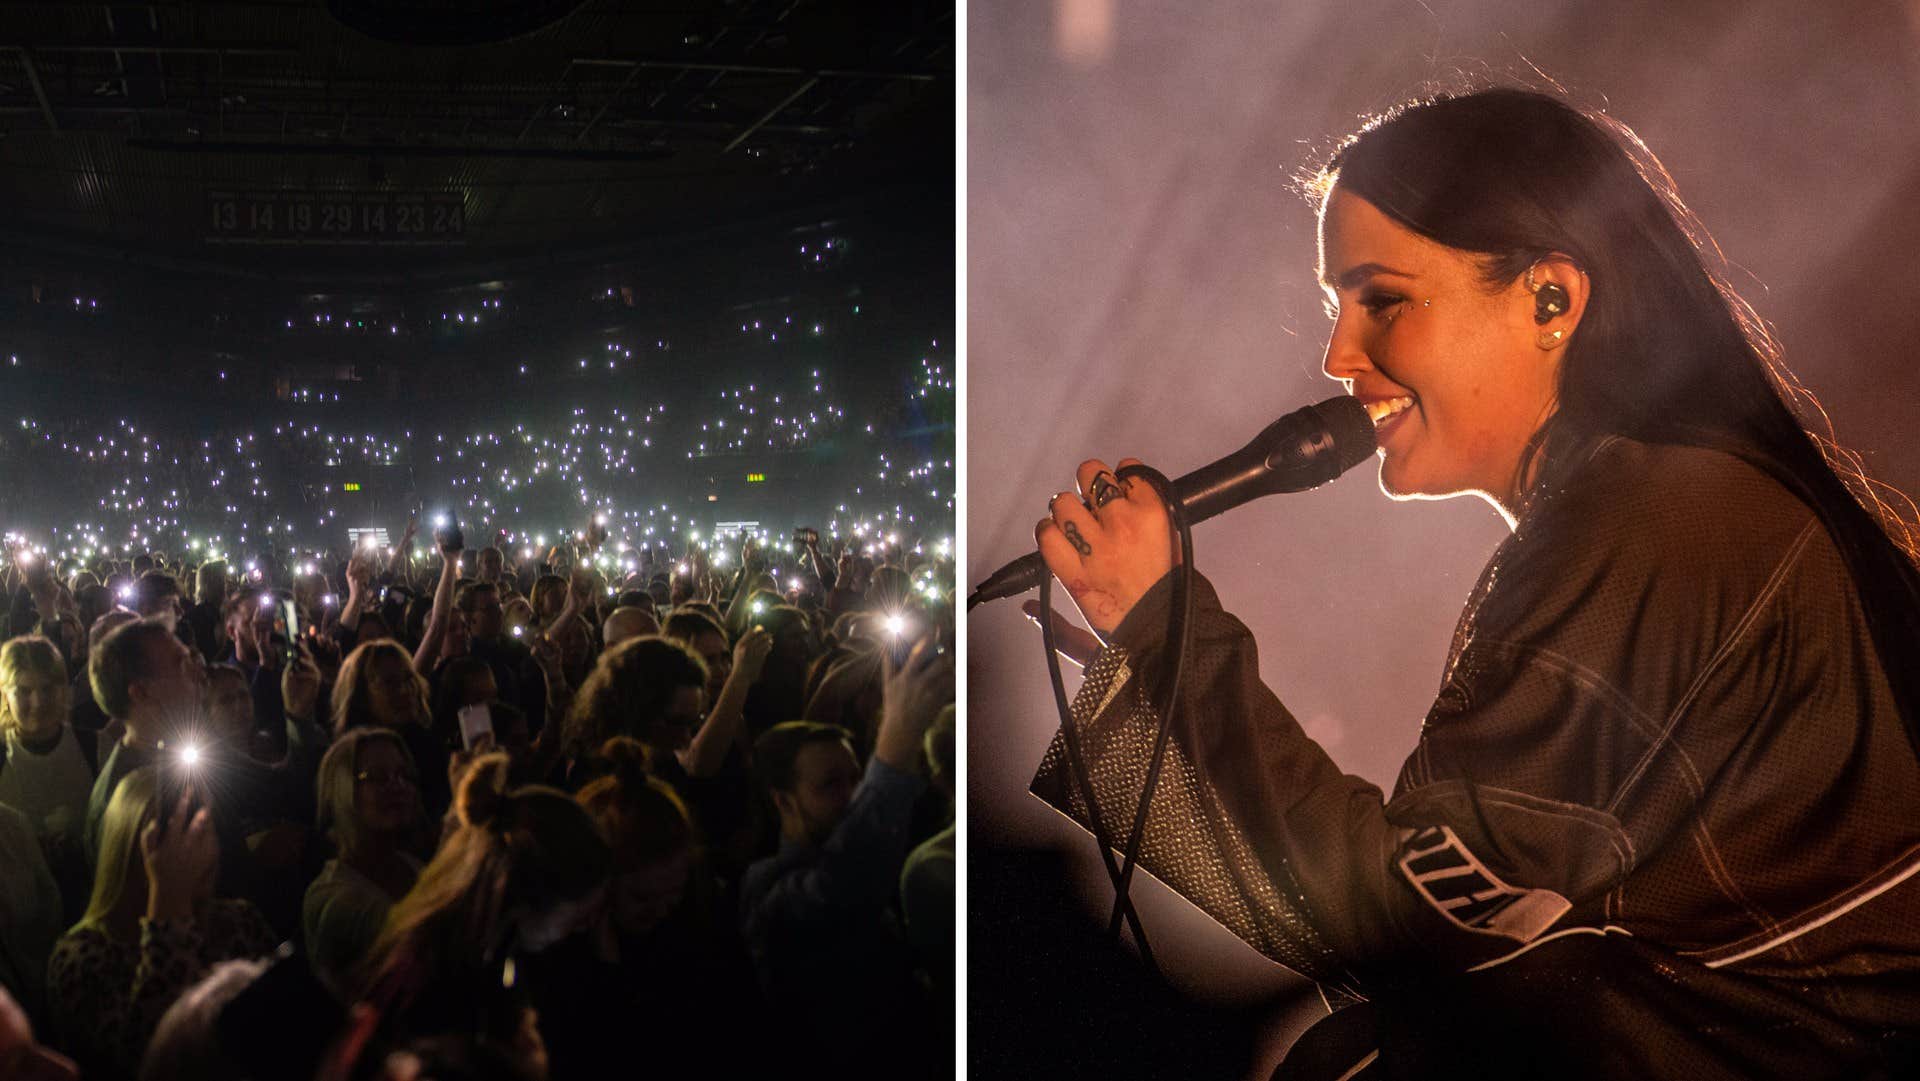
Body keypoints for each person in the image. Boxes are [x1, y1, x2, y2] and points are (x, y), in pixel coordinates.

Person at [1027, 86, 1920, 1078]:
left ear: (1551, 299)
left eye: (1383, 299)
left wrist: (1167, 638)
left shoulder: (1654, 522)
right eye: (1336, 308)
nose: (1337, 356)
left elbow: (1416, 920)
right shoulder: (1659, 506)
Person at [739, 640, 952, 1079]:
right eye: (830, 784)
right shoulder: (766, 886)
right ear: (782, 801)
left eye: (856, 777)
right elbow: (844, 885)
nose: (852, 794)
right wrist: (894, 752)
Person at [47, 766, 279, 1081]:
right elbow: (152, 1058)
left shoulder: (238, 921)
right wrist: (169, 900)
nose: (192, 846)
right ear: (127, 847)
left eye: (201, 826)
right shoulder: (80, 957)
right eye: (173, 833)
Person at [304, 729, 424, 998]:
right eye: (378, 777)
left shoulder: (409, 863)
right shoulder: (334, 898)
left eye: (404, 775)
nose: (397, 786)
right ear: (342, 789)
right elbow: (425, 942)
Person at [0, 637, 95, 918]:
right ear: (5, 694)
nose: (37, 702)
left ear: (63, 690)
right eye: (23, 691)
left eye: (47, 688)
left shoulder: (94, 748)